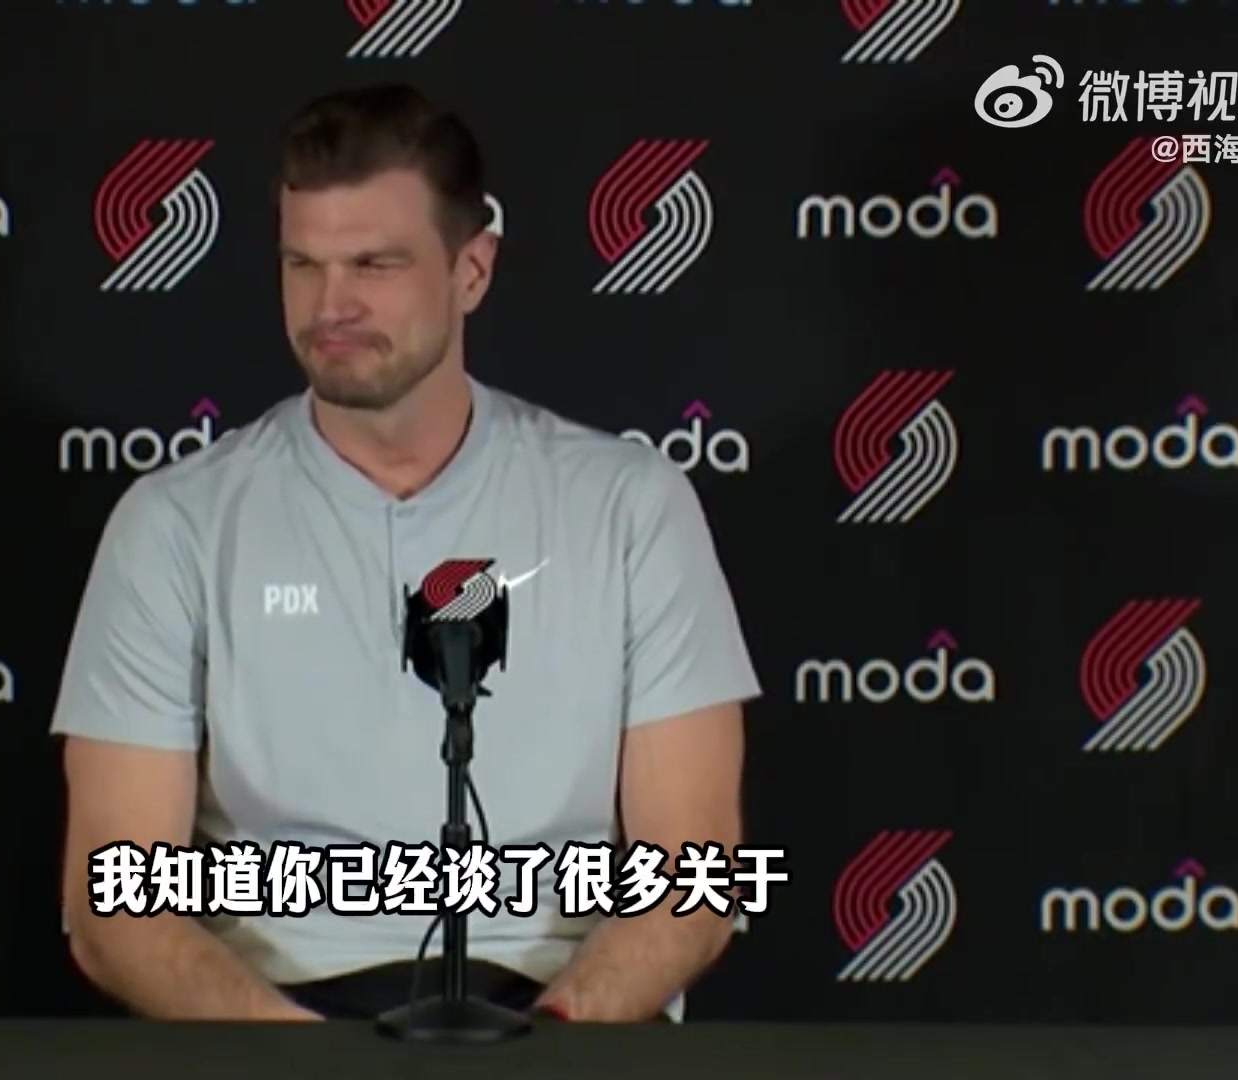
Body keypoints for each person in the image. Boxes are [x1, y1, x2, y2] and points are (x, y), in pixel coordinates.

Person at [51, 83, 761, 1023]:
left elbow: (694, 880)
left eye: (374, 265)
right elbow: (113, 906)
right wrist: (312, 1066)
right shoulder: (175, 524)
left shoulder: (631, 507)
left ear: (472, 271)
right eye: (302, 265)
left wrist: (544, 1053)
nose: (330, 306)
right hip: (277, 1020)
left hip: (556, 1019)